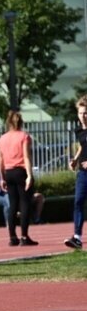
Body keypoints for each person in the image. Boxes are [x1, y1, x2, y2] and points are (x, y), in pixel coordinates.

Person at [0, 110, 37, 246]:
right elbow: (26, 156)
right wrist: (30, 175)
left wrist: (2, 177)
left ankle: (12, 237)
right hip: (21, 171)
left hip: (8, 172)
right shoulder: (24, 136)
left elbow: (0, 160)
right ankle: (24, 237)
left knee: (13, 204)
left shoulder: (2, 139)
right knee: (25, 203)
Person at [65, 94, 87, 249]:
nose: (83, 116)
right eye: (80, 113)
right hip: (83, 173)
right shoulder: (79, 130)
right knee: (78, 201)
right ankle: (77, 237)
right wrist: (75, 159)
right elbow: (82, 146)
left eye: (86, 112)